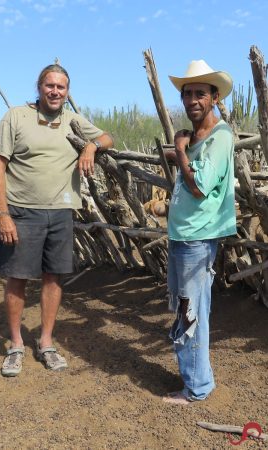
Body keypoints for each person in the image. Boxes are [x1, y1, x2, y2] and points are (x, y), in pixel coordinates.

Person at [0, 64, 113, 377]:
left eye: (61, 87)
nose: (55, 91)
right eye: (50, 85)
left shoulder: (72, 119)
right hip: (21, 210)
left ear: (67, 92)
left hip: (61, 211)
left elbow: (107, 138)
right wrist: (2, 214)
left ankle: (46, 342)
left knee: (53, 277)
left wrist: (90, 145)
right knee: (17, 276)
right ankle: (16, 344)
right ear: (39, 86)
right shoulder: (17, 116)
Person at [163, 60, 236, 404]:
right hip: (184, 237)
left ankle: (196, 389)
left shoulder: (219, 138)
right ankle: (198, 380)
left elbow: (199, 188)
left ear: (215, 97)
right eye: (187, 93)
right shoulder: (198, 138)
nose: (193, 99)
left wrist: (178, 148)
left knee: (190, 312)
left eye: (200, 94)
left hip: (197, 239)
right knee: (186, 310)